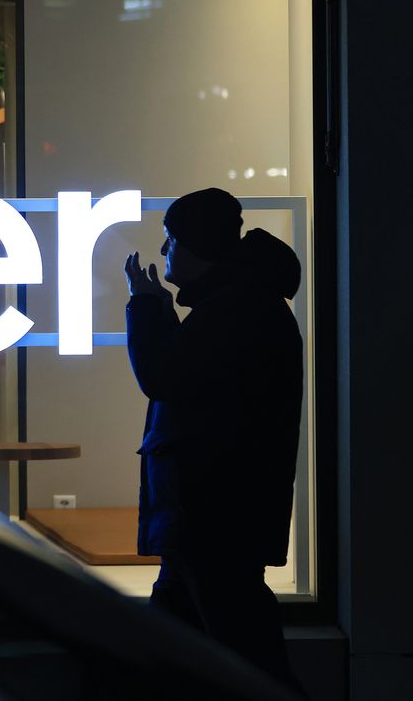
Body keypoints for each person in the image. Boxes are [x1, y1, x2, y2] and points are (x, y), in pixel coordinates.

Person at [123, 187, 304, 692]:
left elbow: (164, 377)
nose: (163, 252)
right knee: (184, 655)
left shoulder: (237, 310)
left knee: (249, 664)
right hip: (208, 522)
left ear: (196, 245)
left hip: (212, 520)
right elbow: (190, 377)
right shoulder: (240, 306)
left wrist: (145, 307)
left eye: (171, 239)